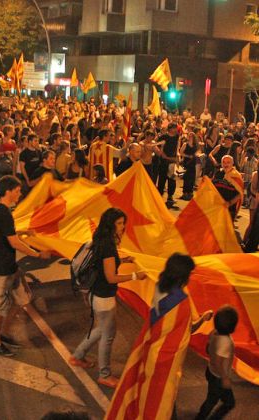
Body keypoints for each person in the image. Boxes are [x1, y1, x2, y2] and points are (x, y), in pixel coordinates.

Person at [69, 208, 148, 388]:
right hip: (103, 297)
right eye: (119, 223)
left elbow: (105, 264)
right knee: (108, 334)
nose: (122, 227)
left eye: (123, 223)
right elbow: (111, 277)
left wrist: (123, 260)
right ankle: (104, 374)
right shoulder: (108, 247)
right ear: (110, 225)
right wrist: (136, 276)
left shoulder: (101, 240)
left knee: (101, 329)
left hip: (95, 294)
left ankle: (77, 356)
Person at [0, 176, 45, 357]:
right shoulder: (2, 211)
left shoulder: (4, 211)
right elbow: (14, 242)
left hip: (9, 266)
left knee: (23, 300)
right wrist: (37, 254)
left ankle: (3, 332)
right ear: (8, 191)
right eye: (17, 191)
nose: (20, 194)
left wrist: (23, 231)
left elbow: (8, 232)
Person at [195, 305, 239, 420]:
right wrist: (225, 378)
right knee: (219, 401)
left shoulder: (214, 332)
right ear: (232, 326)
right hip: (218, 378)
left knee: (221, 399)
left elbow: (208, 349)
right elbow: (219, 362)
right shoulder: (226, 342)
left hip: (210, 371)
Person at [155, 124, 180, 208]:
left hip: (172, 160)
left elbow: (177, 147)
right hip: (163, 161)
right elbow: (157, 146)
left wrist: (177, 157)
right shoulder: (163, 137)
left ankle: (170, 196)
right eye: (174, 128)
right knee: (162, 178)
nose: (176, 130)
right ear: (170, 129)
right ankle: (159, 197)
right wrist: (162, 154)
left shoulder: (177, 136)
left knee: (172, 179)